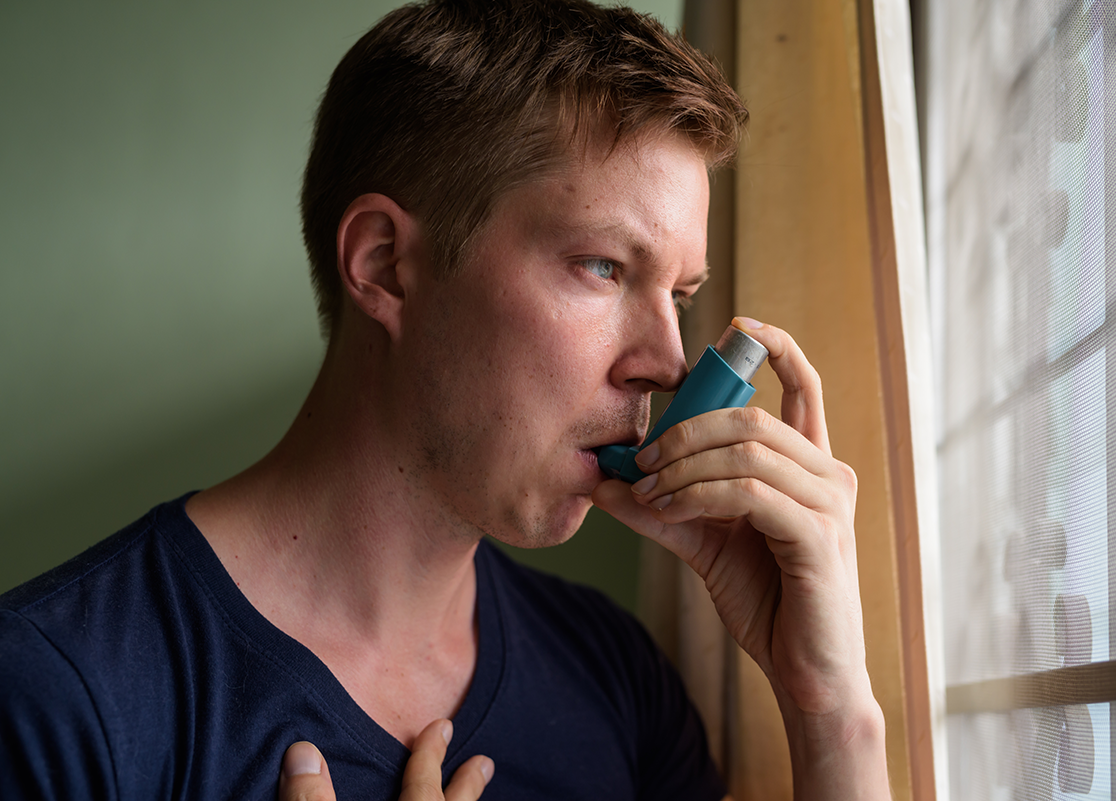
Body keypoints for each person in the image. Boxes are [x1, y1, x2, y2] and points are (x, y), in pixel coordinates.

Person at [0, 1, 890, 799]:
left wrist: (832, 712)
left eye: (680, 296)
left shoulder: (618, 678)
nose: (666, 362)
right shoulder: (51, 694)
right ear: (386, 263)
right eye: (602, 266)